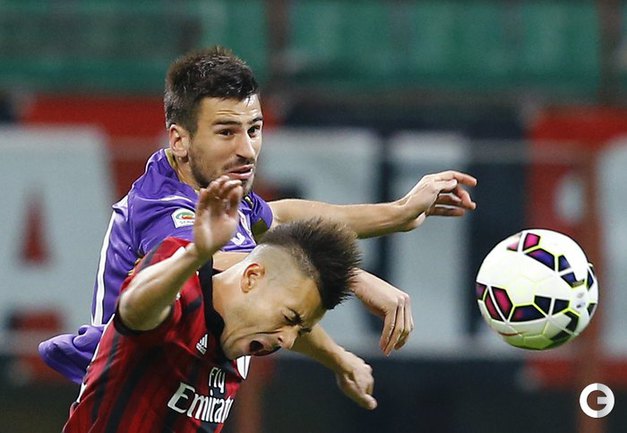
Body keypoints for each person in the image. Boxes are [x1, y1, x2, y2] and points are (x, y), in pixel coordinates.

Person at [40, 46, 477, 409]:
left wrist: (398, 213)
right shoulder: (163, 208)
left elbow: (281, 230)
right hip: (131, 403)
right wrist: (350, 276)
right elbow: (209, 259)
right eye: (227, 132)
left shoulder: (222, 193)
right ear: (179, 139)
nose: (247, 149)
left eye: (254, 129)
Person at [63, 175, 363, 433]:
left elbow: (299, 326)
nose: (288, 340)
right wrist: (196, 252)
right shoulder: (183, 288)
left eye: (300, 330)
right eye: (288, 318)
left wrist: (340, 360)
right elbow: (134, 311)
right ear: (252, 277)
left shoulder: (241, 331)